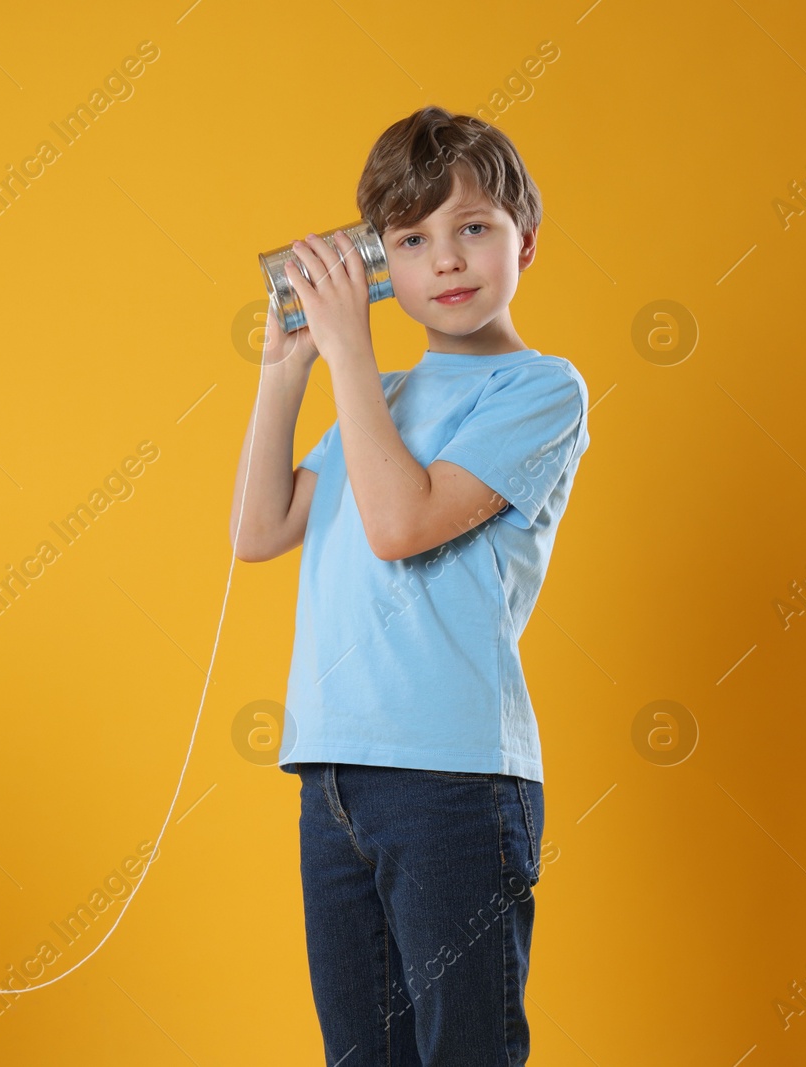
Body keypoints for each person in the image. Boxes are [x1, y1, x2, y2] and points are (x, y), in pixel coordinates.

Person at [229, 106, 590, 1065]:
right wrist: (287, 371)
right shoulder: (377, 399)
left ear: (527, 241)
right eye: (413, 239)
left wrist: (351, 352)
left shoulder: (541, 390)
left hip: (454, 776)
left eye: (474, 226)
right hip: (334, 769)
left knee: (462, 1048)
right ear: (383, 263)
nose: (450, 259)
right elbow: (258, 529)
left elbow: (400, 525)